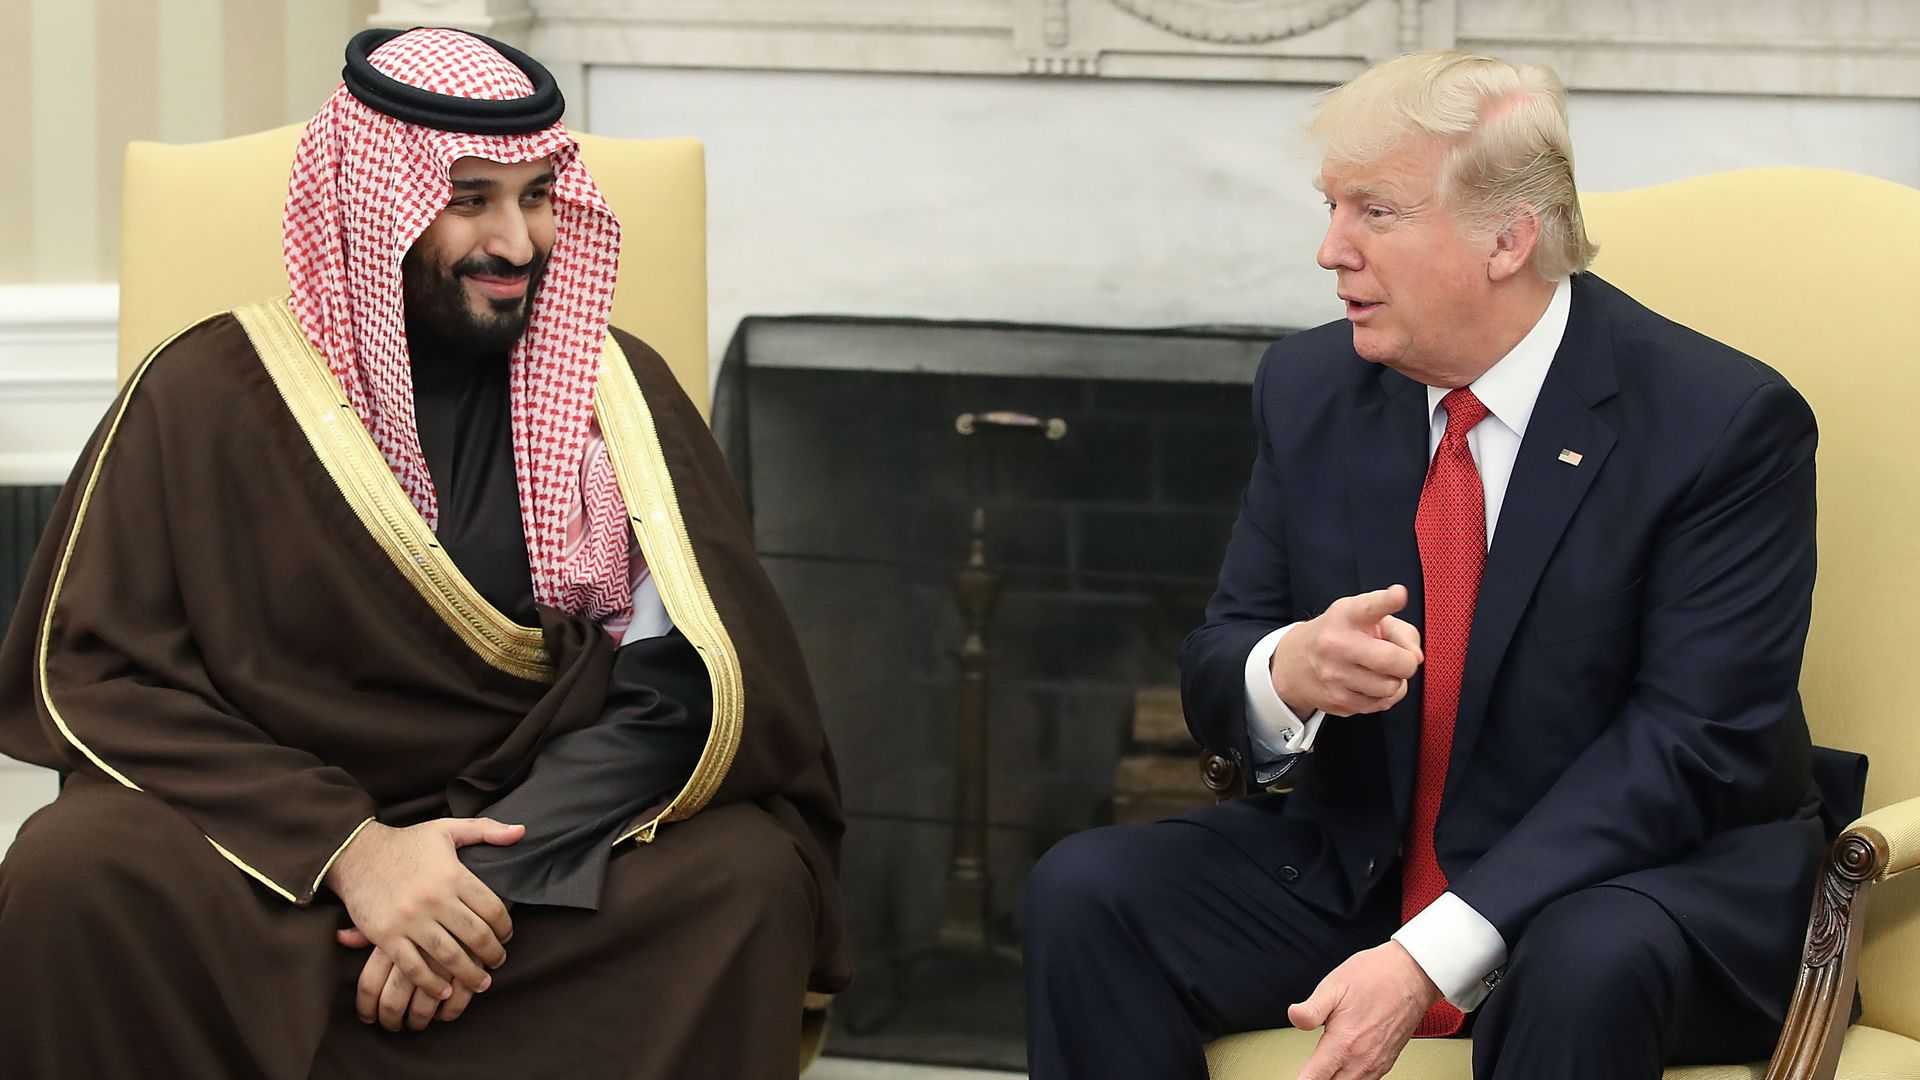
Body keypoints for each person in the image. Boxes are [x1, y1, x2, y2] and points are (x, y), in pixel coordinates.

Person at [0, 26, 847, 1079]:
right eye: (471, 199)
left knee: (741, 881)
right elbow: (103, 671)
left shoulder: (615, 396)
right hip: (272, 863)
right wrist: (352, 853)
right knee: (76, 871)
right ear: (374, 205)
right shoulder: (207, 394)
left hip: (525, 867)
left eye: (538, 195)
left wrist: (490, 874)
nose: (518, 242)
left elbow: (690, 685)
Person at [1024, 50, 1838, 1080]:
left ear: (1508, 240)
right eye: (1330, 207)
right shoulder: (1311, 386)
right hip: (1369, 863)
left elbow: (1691, 746)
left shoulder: (1720, 424)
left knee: (1583, 962)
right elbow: (1221, 649)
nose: (1330, 251)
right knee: (1089, 890)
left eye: (1375, 212)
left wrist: (1431, 953)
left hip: (1637, 881)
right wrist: (1286, 673)